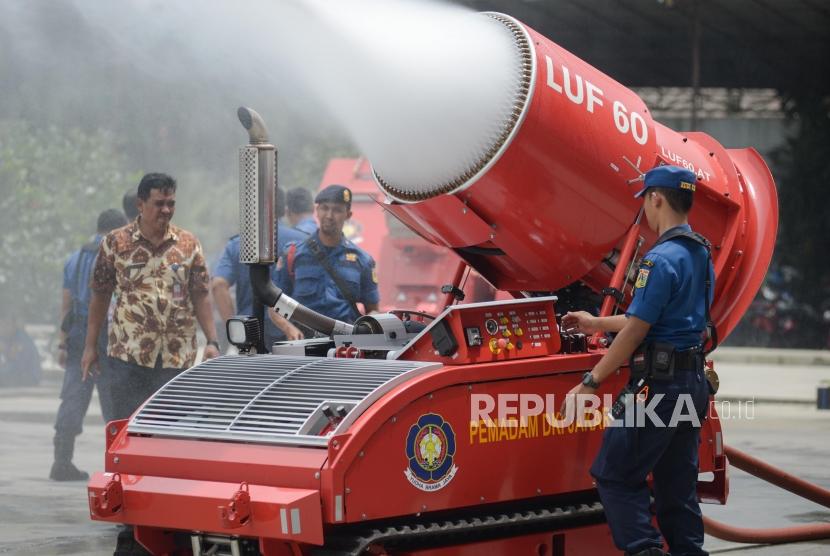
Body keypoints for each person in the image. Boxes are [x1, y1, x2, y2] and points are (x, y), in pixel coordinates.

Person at [561, 165, 713, 556]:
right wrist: (595, 322)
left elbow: (636, 331)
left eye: (645, 200)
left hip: (659, 389)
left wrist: (590, 381)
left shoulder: (659, 260)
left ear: (656, 198)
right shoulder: (699, 252)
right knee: (676, 490)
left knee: (613, 475)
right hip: (691, 384)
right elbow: (650, 317)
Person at [82, 173, 221, 421]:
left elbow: (201, 296)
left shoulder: (189, 244)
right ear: (140, 204)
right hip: (128, 357)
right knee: (127, 428)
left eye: (171, 203)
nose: (166, 210)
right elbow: (100, 297)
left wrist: (212, 341)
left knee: (170, 434)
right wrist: (90, 346)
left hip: (176, 359)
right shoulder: (115, 243)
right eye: (159, 204)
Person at [50, 208, 127, 481]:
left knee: (73, 393)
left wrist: (62, 343)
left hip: (78, 330)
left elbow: (66, 302)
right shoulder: (117, 253)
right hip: (107, 332)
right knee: (114, 397)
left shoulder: (75, 258)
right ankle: (120, 465)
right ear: (118, 229)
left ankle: (61, 460)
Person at [211, 186, 306, 346]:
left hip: (250, 335)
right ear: (284, 210)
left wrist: (236, 332)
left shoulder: (237, 245)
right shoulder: (301, 242)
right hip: (294, 335)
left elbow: (218, 285)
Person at [276, 184, 379, 324]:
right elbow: (277, 304)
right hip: (302, 342)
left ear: (348, 215)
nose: (329, 216)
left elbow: (373, 310)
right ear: (316, 211)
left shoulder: (362, 261)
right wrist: (289, 330)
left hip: (345, 342)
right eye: (325, 208)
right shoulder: (293, 254)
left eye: (337, 210)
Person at [0, 310, 41, 388]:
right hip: (14, 374)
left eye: (6, 324)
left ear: (14, 326)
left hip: (28, 376)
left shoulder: (21, 339)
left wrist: (5, 349)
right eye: (1, 325)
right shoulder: (5, 337)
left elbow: (17, 364)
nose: (3, 328)